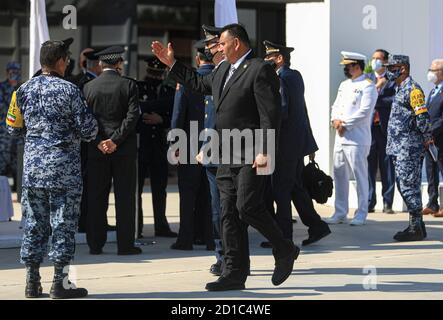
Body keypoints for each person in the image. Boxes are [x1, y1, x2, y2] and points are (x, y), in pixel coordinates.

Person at [152, 23, 299, 291]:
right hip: (225, 153)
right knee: (227, 215)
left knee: (247, 207)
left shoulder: (259, 68)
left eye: (221, 43)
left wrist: (266, 150)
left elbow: (270, 113)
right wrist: (172, 64)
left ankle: (284, 248)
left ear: (237, 43)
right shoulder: (222, 70)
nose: (218, 47)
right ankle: (234, 272)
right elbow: (198, 83)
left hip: (251, 153)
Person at [6, 39, 98, 299]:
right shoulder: (70, 91)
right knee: (63, 225)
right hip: (64, 171)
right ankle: (60, 282)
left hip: (33, 171)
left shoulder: (22, 90)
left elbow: (12, 127)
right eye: (67, 59)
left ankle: (31, 282)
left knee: (34, 224)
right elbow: (89, 130)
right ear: (60, 62)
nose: (68, 63)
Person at [262, 40, 331, 247]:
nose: (267, 60)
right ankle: (317, 227)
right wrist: (309, 144)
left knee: (280, 191)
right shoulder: (295, 76)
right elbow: (302, 111)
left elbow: (282, 111)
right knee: (295, 188)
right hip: (296, 144)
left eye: (270, 57)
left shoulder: (281, 78)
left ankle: (283, 237)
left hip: (283, 145)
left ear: (280, 59)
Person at [83, 46, 141, 255]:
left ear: (100, 64)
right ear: (118, 64)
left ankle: (95, 244)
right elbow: (132, 116)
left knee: (97, 198)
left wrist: (100, 141)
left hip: (97, 151)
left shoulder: (88, 87)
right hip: (123, 150)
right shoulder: (129, 85)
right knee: (125, 198)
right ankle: (125, 245)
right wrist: (115, 140)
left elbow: (86, 120)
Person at [170, 42, 214, 251]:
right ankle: (208, 237)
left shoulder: (187, 80)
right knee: (209, 194)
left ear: (198, 59)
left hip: (188, 143)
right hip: (214, 143)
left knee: (187, 194)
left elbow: (178, 115)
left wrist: (174, 144)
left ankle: (185, 238)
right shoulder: (221, 77)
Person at [325, 51, 378, 226]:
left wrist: (344, 123)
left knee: (360, 176)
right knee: (339, 174)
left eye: (348, 66)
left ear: (357, 66)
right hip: (341, 137)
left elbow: (365, 112)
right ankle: (340, 212)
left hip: (357, 138)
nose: (346, 69)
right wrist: (334, 120)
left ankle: (361, 213)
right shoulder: (344, 84)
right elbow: (336, 105)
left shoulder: (368, 85)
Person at [385, 55, 432, 241]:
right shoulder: (399, 88)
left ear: (403, 69)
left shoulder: (413, 90)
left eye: (392, 67)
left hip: (409, 148)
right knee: (405, 185)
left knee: (408, 186)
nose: (389, 71)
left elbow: (422, 117)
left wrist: (427, 138)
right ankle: (418, 225)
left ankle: (415, 228)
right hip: (399, 147)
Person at [195, 24, 226, 276]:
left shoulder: (236, 73)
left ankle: (232, 255)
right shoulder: (215, 74)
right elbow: (209, 117)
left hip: (235, 151)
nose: (209, 50)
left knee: (237, 209)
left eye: (212, 45)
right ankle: (223, 255)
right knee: (218, 210)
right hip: (213, 152)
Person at [136, 57, 176, 238]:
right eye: (153, 73)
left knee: (160, 188)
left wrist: (162, 120)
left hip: (158, 145)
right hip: (141, 144)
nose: (156, 77)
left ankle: (161, 224)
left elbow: (174, 111)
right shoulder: (138, 88)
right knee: (136, 189)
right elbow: (135, 111)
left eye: (158, 74)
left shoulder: (166, 90)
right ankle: (137, 225)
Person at [77, 49, 106, 233]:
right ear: (96, 65)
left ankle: (94, 220)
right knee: (89, 184)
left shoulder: (87, 82)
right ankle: (86, 221)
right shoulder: (87, 83)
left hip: (91, 140)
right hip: (89, 142)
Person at [367, 49, 396, 214]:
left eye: (378, 59)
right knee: (370, 166)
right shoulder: (368, 78)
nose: (375, 62)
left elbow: (395, 99)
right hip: (369, 128)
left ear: (385, 61)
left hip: (385, 128)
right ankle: (370, 202)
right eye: (373, 59)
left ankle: (387, 203)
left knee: (387, 166)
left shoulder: (392, 79)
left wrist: (377, 99)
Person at [423, 59, 443, 218]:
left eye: (433, 70)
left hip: (440, 138)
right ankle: (432, 203)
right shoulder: (433, 90)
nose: (430, 72)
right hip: (430, 141)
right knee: (431, 173)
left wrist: (431, 132)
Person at [0, 62, 22, 189]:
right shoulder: (1, 88)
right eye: (11, 71)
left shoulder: (22, 88)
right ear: (7, 72)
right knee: (1, 171)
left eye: (16, 71)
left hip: (18, 138)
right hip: (3, 138)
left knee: (18, 169)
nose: (14, 74)